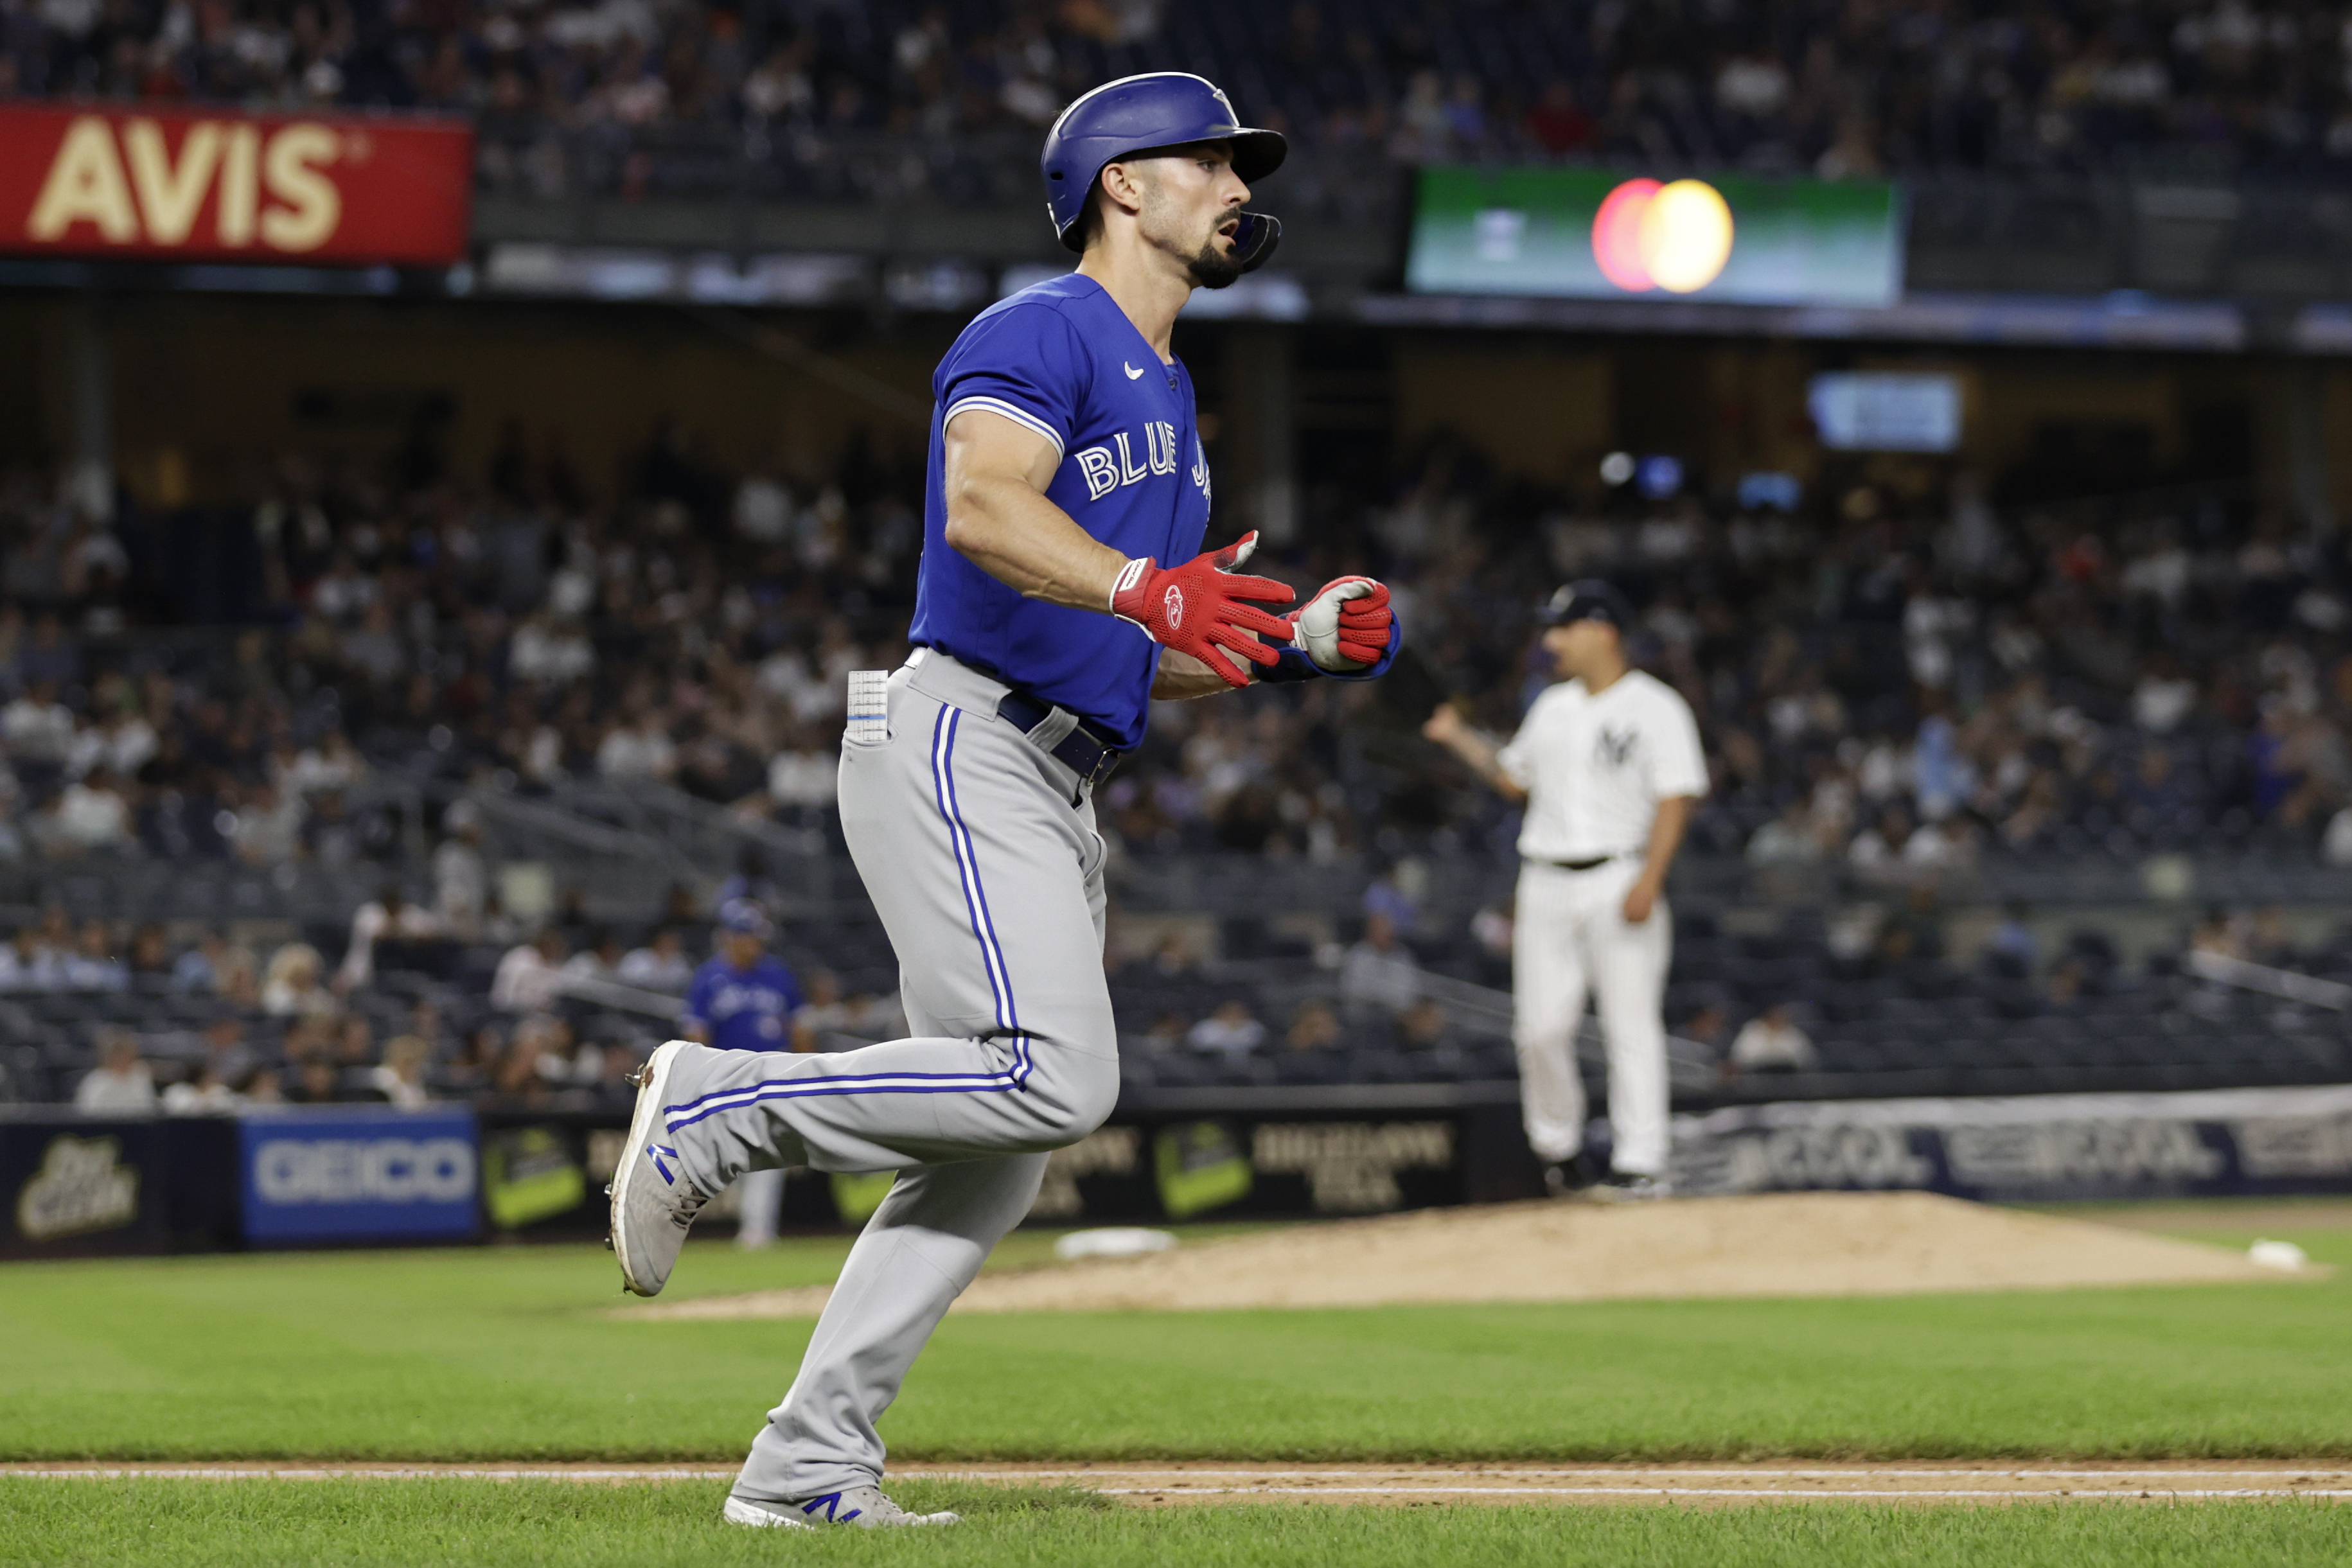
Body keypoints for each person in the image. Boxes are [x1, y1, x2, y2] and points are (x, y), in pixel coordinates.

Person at [605, 72, 1399, 1533]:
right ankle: (716, 1104)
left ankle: (805, 1464)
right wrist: (1149, 584)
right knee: (1054, 1075)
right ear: (1122, 184)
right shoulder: (1043, 327)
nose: (1235, 185)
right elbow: (983, 504)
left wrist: (1280, 646)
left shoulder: (1172, 400)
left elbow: (1135, 653)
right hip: (964, 732)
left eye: (1238, 165)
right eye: (1208, 160)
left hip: (1051, 760)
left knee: (1003, 1152)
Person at [1423, 579, 1706, 1201]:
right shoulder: (1551, 706)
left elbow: (1675, 795)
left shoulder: (1654, 706)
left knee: (1629, 1026)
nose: (1550, 640)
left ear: (1600, 630)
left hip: (1620, 872)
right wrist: (1458, 737)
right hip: (1545, 878)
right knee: (1539, 1030)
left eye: (1562, 627)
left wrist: (1651, 878)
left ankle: (1641, 1161)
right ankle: (1560, 1152)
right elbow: (1513, 780)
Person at [680, 900, 813, 1251]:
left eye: (757, 936)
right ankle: (748, 1226)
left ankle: (758, 1231)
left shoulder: (777, 974)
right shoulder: (709, 977)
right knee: (731, 1159)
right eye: (748, 935)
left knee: (769, 1154)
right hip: (728, 1082)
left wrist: (806, 1073)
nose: (755, 942)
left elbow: (799, 1028)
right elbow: (697, 1034)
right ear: (730, 938)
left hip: (773, 1076)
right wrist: (701, 1081)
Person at [75, 1032, 155, 1113]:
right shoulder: (95, 1083)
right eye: (118, 1055)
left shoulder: (141, 1073)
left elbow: (150, 1108)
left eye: (127, 1054)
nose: (123, 1059)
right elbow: (89, 1116)